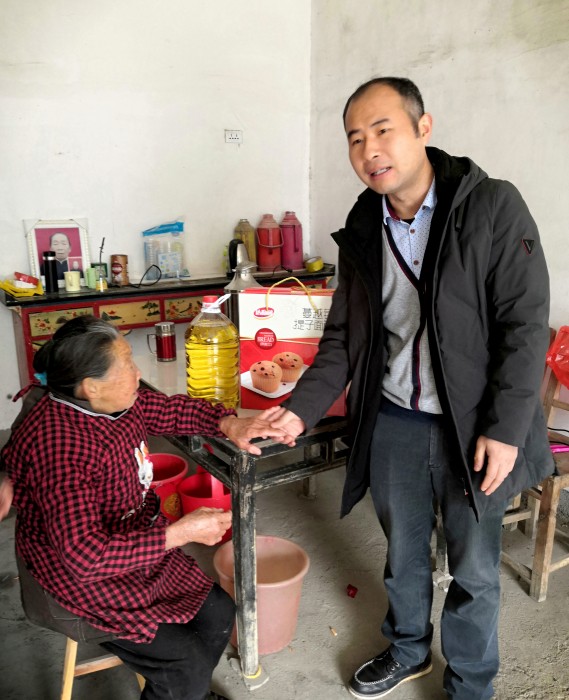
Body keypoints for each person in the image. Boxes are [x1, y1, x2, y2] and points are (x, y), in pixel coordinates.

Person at [270, 77, 554, 700]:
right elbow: (344, 336)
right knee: (402, 555)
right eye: (355, 138)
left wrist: (505, 430)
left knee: (475, 568)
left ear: (424, 128)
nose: (369, 149)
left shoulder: (491, 206)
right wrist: (298, 412)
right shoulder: (362, 223)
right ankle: (407, 650)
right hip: (395, 418)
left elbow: (525, 326)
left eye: (383, 130)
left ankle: (470, 683)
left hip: (474, 425)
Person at [1, 315, 295, 700]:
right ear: (91, 386)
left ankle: (186, 694)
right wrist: (180, 533)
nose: (138, 375)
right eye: (127, 365)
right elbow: (86, 558)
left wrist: (227, 423)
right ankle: (185, 688)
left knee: (219, 614)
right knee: (185, 663)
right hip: (83, 579)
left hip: (138, 543)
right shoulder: (59, 448)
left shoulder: (116, 403)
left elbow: (168, 410)